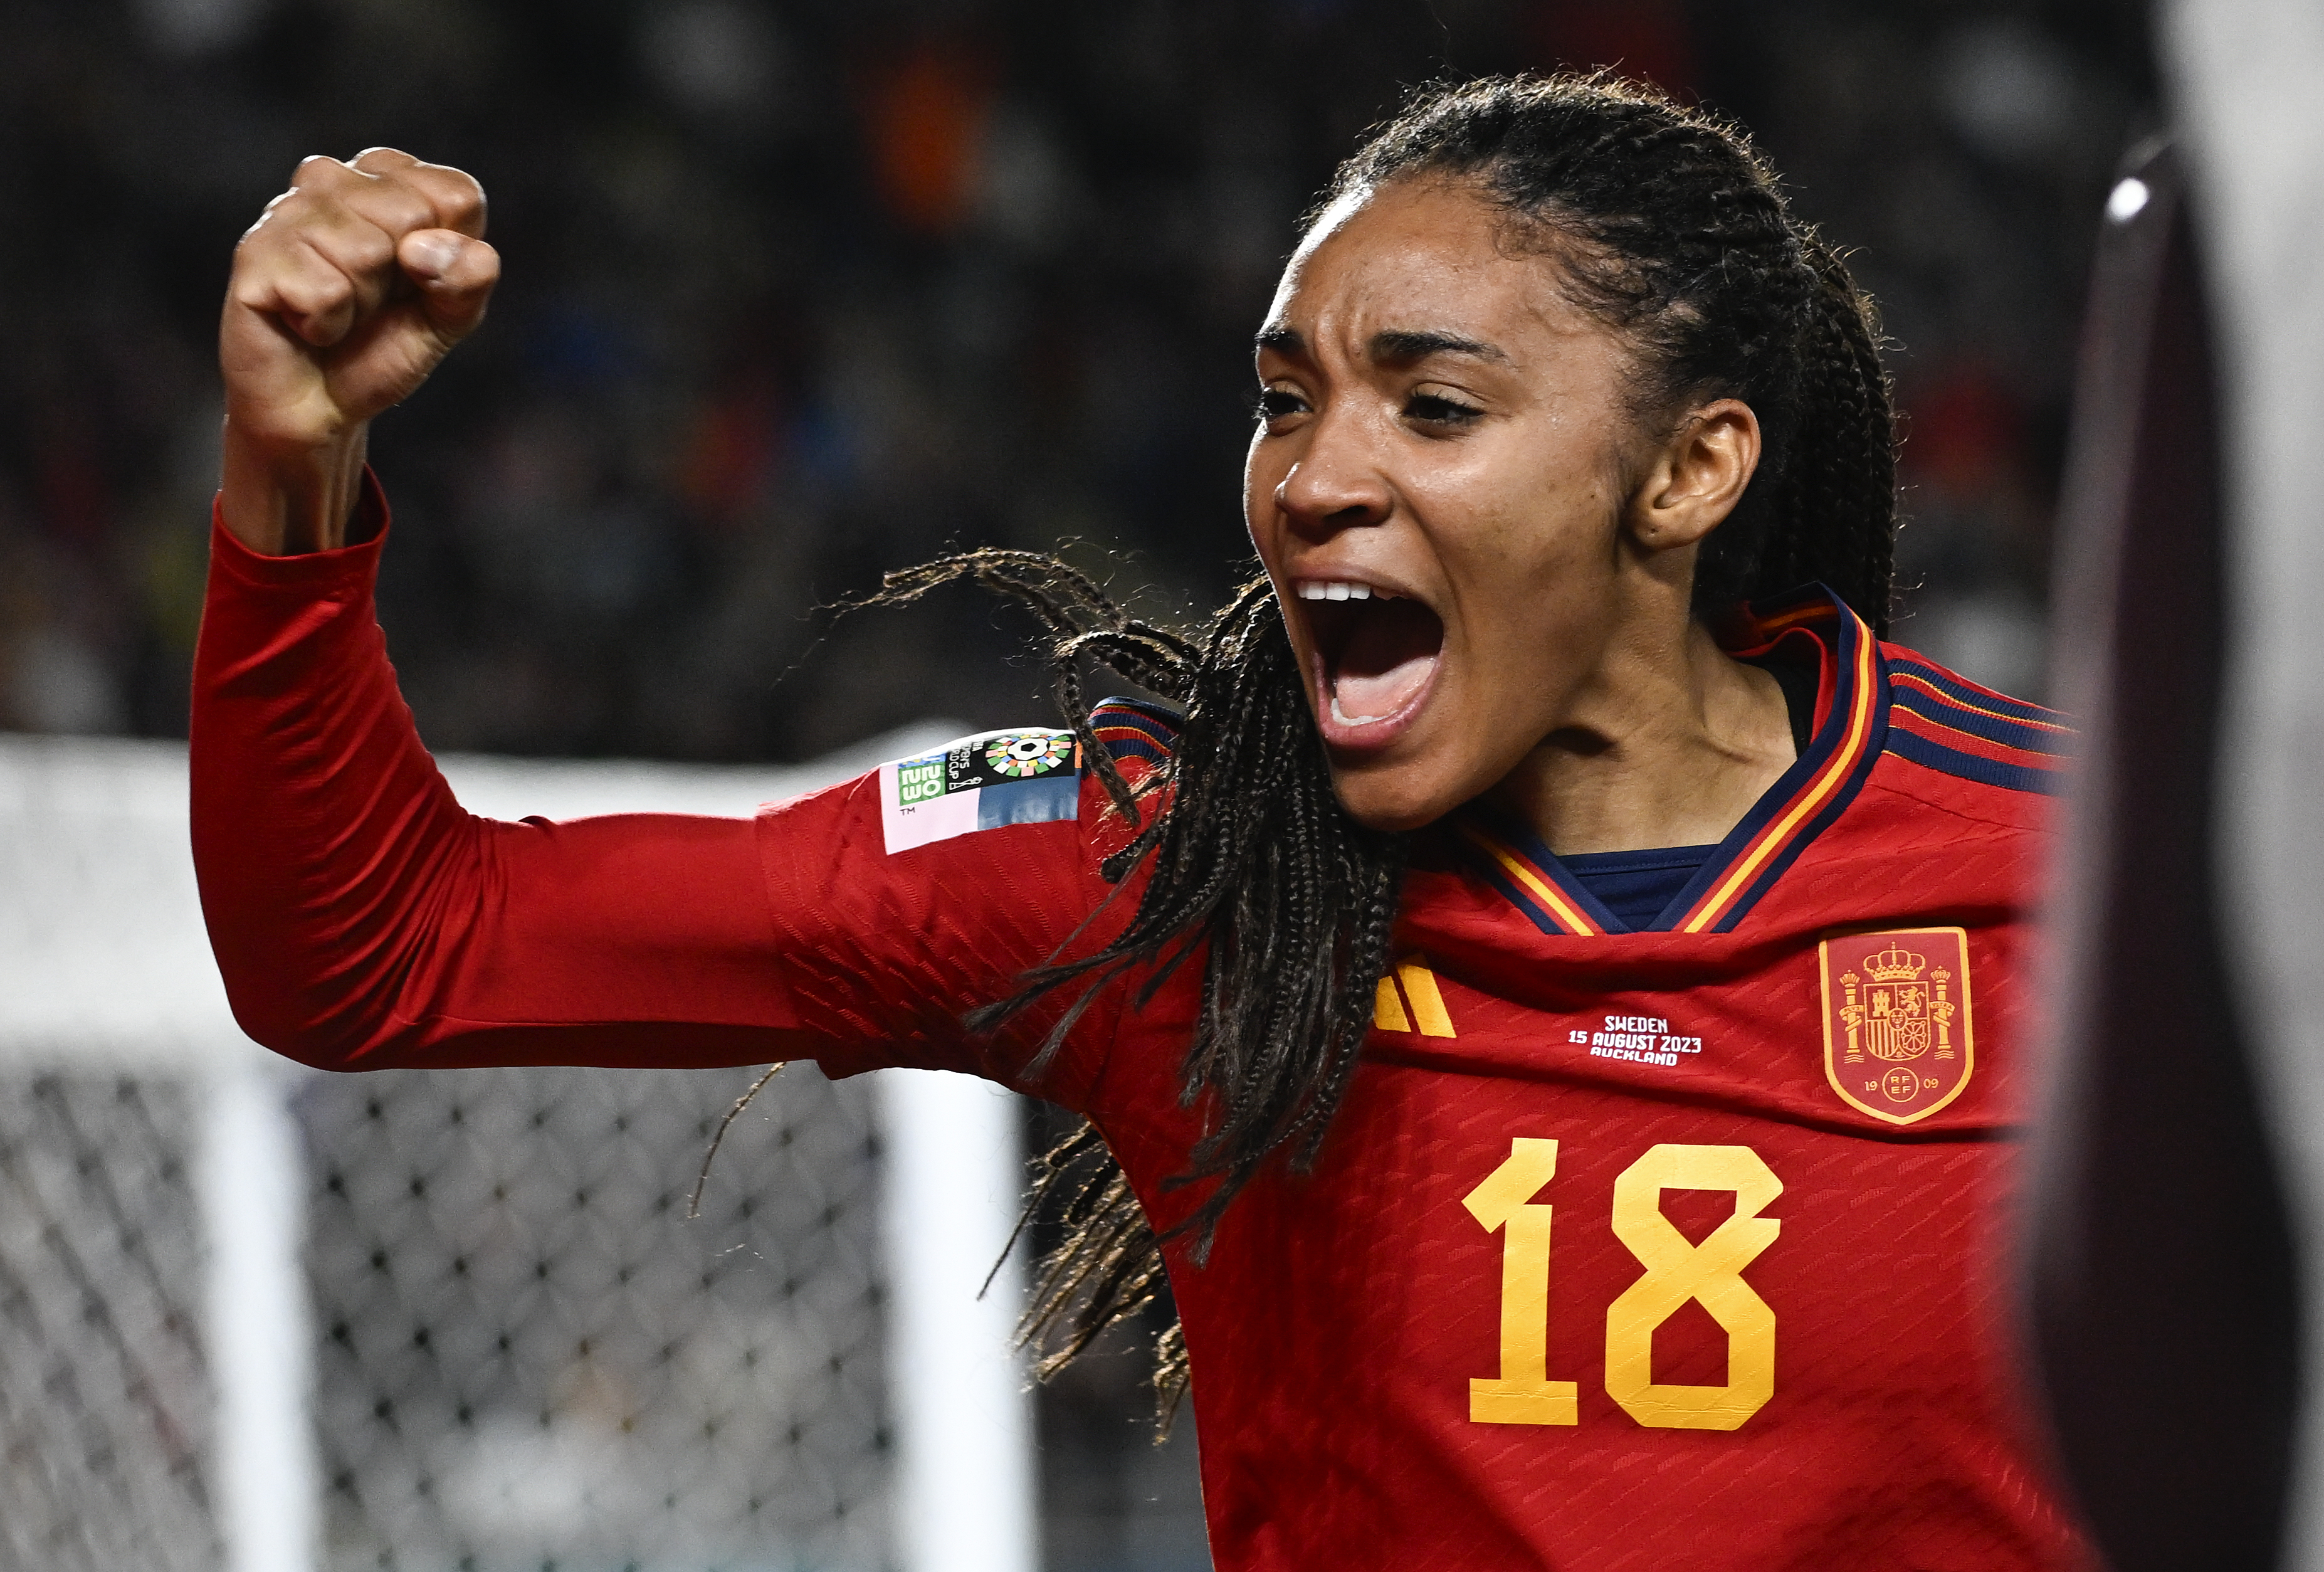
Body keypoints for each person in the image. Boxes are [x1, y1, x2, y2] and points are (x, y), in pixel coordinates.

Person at [193, 74, 2087, 1569]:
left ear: (1689, 467)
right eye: (1285, 400)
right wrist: (293, 468)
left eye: (1432, 406)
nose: (1317, 477)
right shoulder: (1182, 869)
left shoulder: (2083, 885)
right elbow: (385, 945)